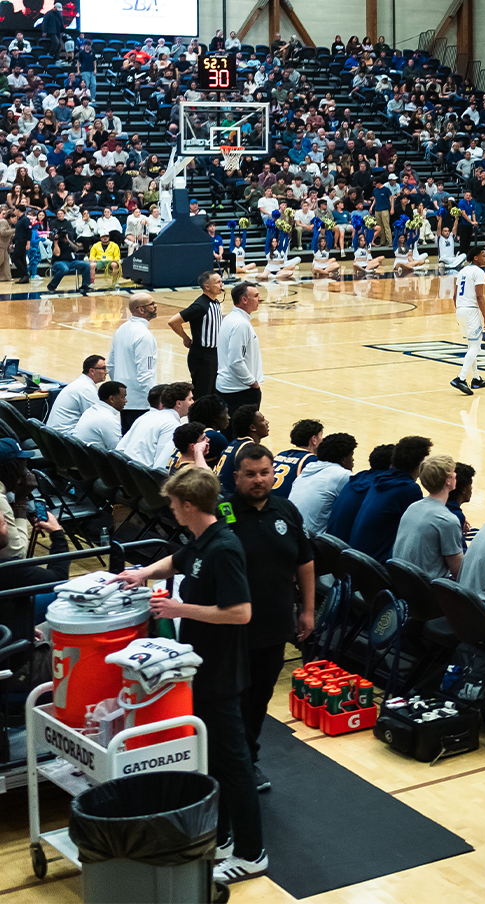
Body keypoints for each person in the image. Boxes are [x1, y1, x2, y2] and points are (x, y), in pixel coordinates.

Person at [109, 467, 267, 883]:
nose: (172, 510)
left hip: (222, 675)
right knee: (214, 761)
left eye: (176, 504)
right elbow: (177, 561)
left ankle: (253, 854)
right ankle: (226, 838)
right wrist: (142, 573)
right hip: (201, 668)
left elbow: (240, 612)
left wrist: (180, 610)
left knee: (234, 766)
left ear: (191, 505)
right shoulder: (202, 541)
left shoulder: (225, 549)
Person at [222, 443, 314, 793]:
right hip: (231, 627)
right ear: (236, 477)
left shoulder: (287, 510)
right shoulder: (223, 510)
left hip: (275, 625)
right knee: (232, 697)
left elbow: (304, 561)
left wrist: (306, 610)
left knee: (259, 696)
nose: (259, 480)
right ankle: (227, 761)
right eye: (250, 474)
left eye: (265, 472)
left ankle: (248, 759)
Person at [334, 434, 431, 560]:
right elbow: (420, 530)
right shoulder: (409, 489)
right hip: (374, 565)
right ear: (420, 463)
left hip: (355, 558)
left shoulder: (379, 481)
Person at [391, 454, 463, 580]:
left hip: (400, 583)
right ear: (448, 480)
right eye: (453, 472)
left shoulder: (413, 507)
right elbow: (459, 572)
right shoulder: (447, 520)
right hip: (425, 592)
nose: (456, 474)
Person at [168, 269, 225, 400]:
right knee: (202, 393)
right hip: (202, 356)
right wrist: (186, 338)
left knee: (213, 392)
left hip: (214, 354)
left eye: (221, 281)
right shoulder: (201, 305)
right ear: (207, 286)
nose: (221, 285)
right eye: (218, 282)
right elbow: (173, 321)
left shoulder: (215, 302)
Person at [108, 293, 159, 430]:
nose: (155, 306)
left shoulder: (121, 329)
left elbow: (111, 365)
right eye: (152, 304)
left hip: (124, 401)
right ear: (141, 309)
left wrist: (121, 391)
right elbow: (146, 374)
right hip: (141, 403)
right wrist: (155, 402)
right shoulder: (144, 336)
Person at [289, 432, 356, 533]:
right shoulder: (342, 475)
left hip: (289, 530)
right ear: (344, 459)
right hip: (309, 541)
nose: (353, 460)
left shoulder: (309, 468)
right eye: (351, 456)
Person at [117, 382, 194, 469]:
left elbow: (119, 449)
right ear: (179, 403)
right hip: (142, 477)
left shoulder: (147, 416)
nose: (193, 402)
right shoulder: (171, 425)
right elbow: (161, 467)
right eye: (190, 399)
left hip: (128, 472)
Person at [214, 282, 263, 412]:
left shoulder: (230, 318)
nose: (260, 299)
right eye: (256, 296)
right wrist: (253, 383)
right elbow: (236, 361)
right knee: (241, 431)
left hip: (231, 388)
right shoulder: (241, 324)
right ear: (244, 299)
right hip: (240, 391)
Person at [450, 247, 485, 396]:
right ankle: (461, 378)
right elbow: (479, 296)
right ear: (475, 258)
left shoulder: (462, 271)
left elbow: (454, 295)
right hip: (471, 310)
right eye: (483, 255)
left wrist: (458, 312)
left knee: (471, 346)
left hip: (460, 309)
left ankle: (476, 379)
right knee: (476, 347)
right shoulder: (478, 272)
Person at [47, 355, 106, 435]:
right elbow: (98, 419)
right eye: (103, 368)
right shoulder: (86, 388)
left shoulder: (81, 383)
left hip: (55, 435)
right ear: (92, 371)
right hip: (63, 438)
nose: (107, 371)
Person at [72, 381, 127, 449]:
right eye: (123, 397)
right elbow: (118, 451)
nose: (125, 401)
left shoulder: (91, 411)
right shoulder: (108, 419)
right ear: (111, 399)